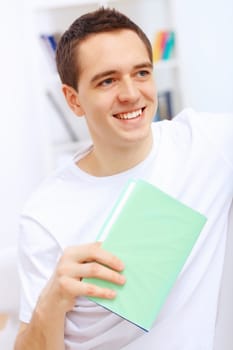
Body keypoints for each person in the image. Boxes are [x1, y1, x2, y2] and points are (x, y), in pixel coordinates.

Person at [14, 7, 233, 350]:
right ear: (73, 100)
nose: (131, 93)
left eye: (142, 73)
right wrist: (54, 297)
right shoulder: (45, 213)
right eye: (107, 80)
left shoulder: (208, 145)